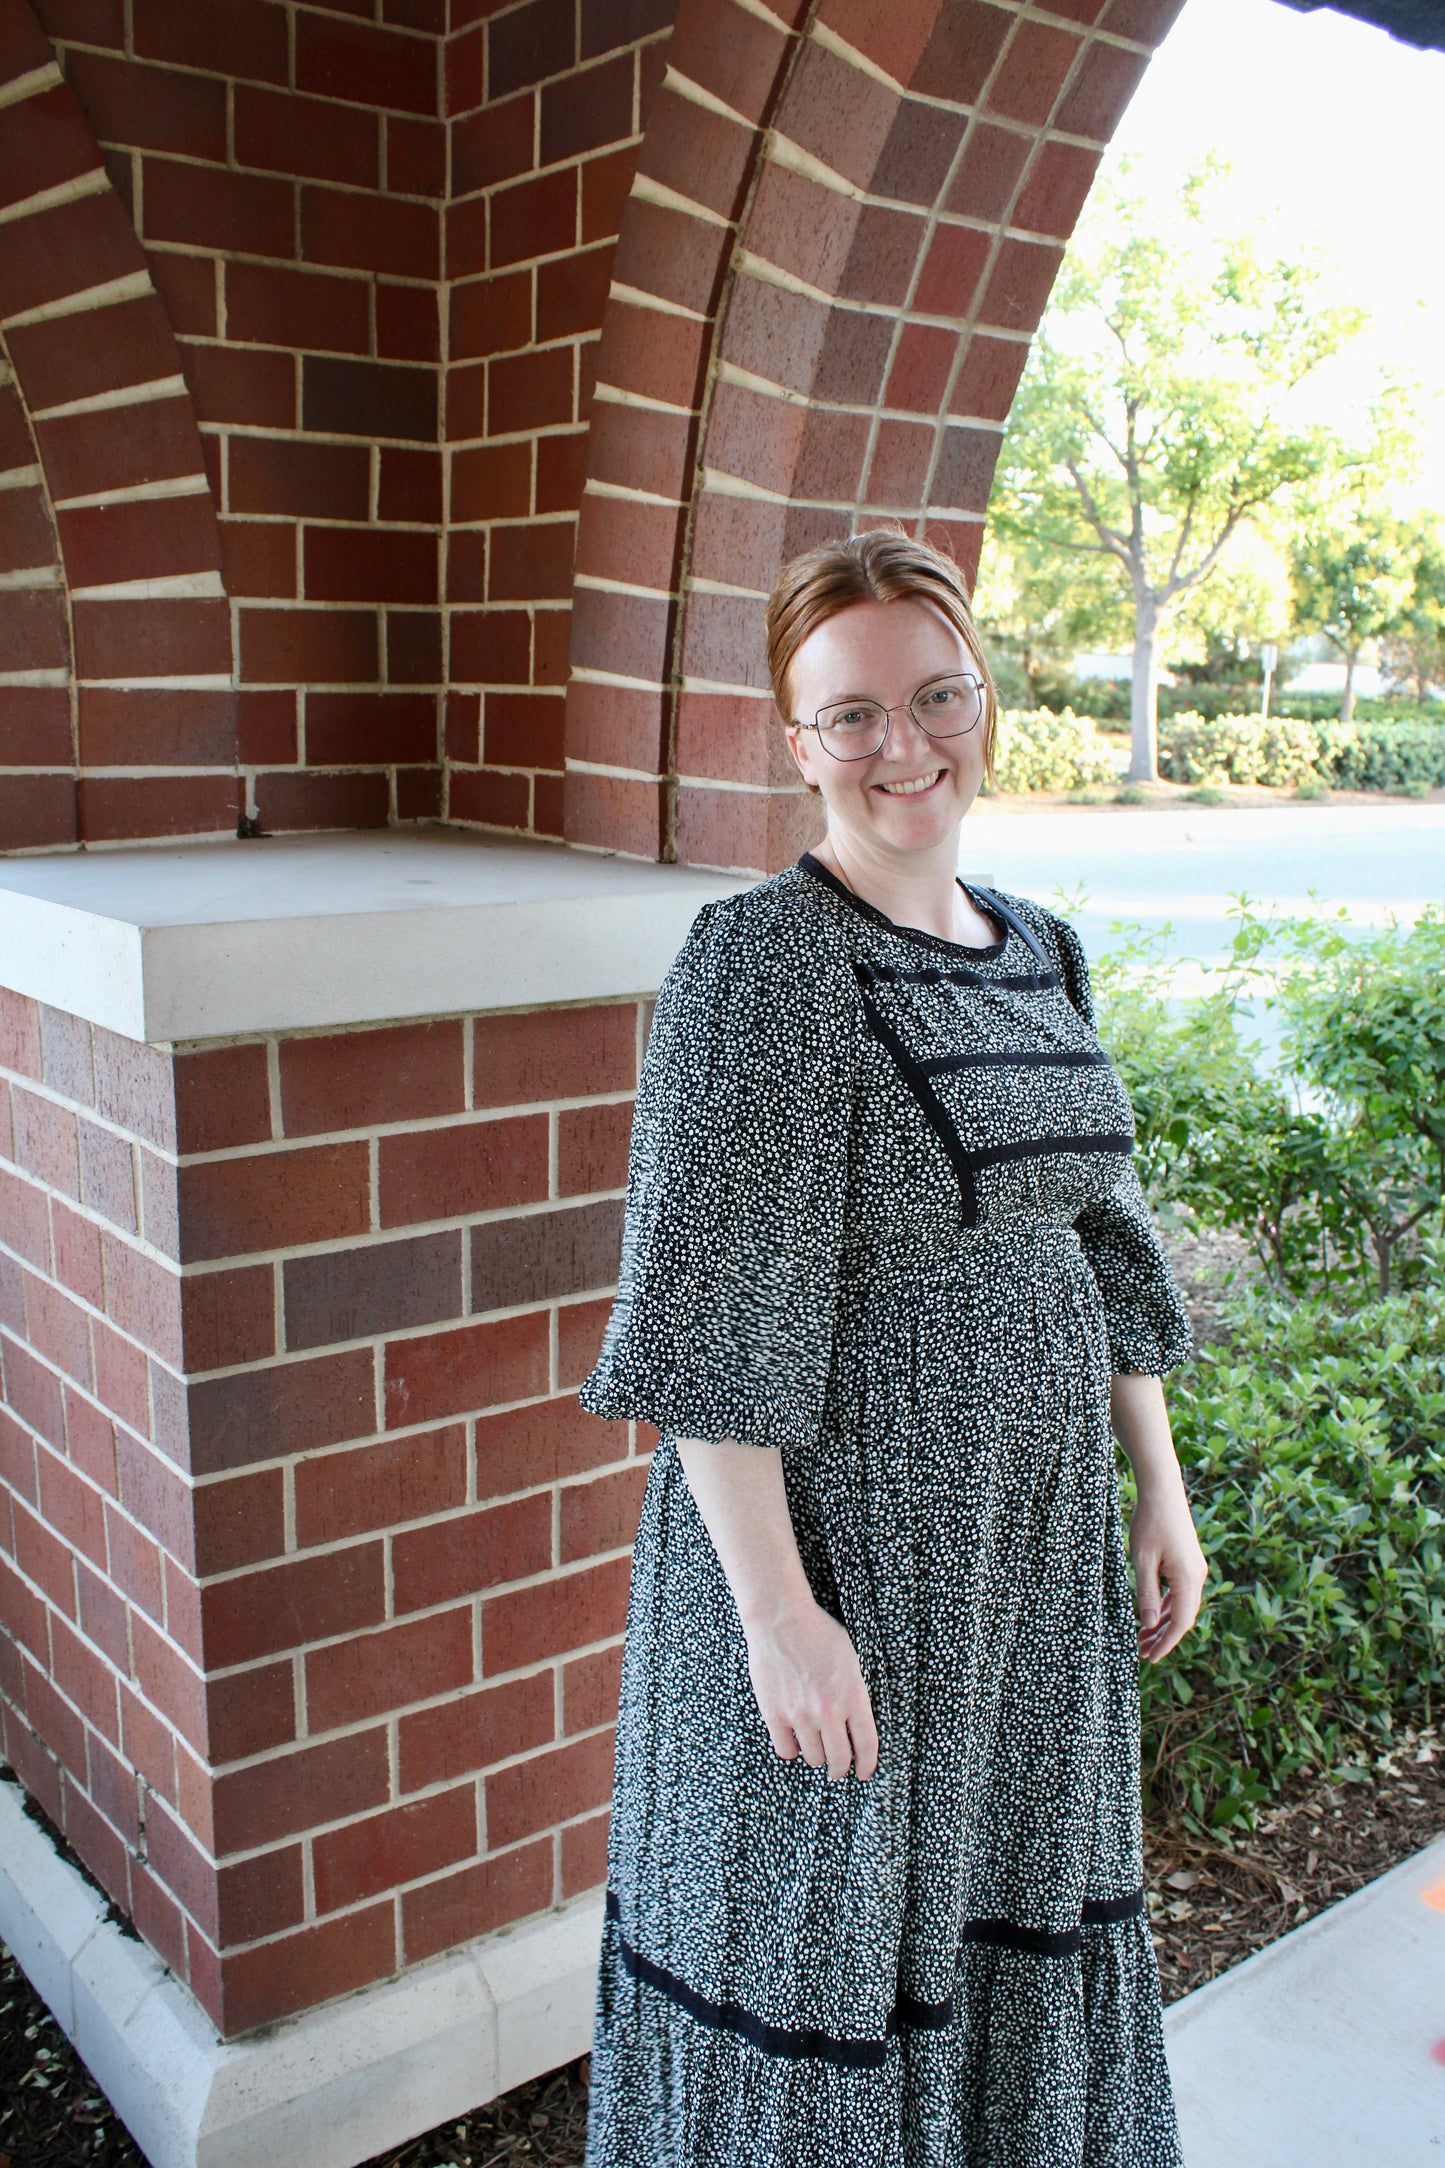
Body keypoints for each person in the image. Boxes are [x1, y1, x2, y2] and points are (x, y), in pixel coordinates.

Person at [577, 528, 1208, 2167]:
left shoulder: (1037, 942)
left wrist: (1158, 1486)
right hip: (855, 1574)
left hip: (1024, 1575)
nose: (902, 745)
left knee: (1008, 1932)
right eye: (848, 715)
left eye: (936, 697)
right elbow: (710, 1319)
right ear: (795, 745)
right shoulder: (764, 963)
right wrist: (779, 1621)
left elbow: (1099, 1234)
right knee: (830, 1952)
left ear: (986, 702)